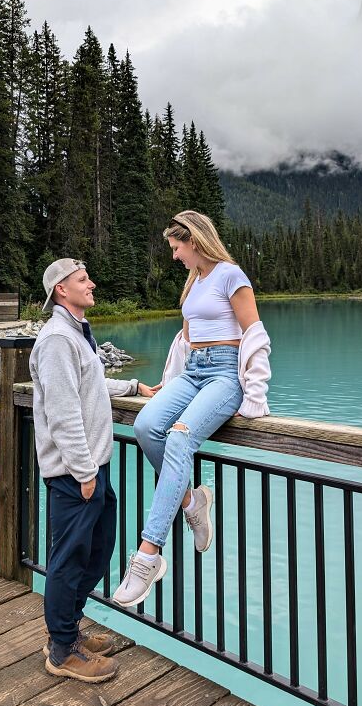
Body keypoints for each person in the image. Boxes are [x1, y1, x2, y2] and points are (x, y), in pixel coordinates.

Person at [113, 210, 271, 607]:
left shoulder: (231, 276)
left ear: (195, 242)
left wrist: (254, 393)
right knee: (147, 427)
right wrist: (171, 381)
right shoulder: (194, 283)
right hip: (193, 374)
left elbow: (254, 332)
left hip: (223, 376)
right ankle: (191, 502)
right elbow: (185, 341)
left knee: (180, 438)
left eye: (176, 246)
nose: (174, 255)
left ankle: (147, 557)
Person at [30, 258, 158, 681]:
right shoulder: (56, 340)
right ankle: (62, 649)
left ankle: (69, 629)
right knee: (69, 559)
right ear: (61, 290)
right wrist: (84, 473)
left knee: (98, 549)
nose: (92, 284)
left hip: (90, 469)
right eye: (83, 280)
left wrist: (133, 387)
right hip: (74, 473)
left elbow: (89, 384)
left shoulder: (76, 334)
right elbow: (64, 413)